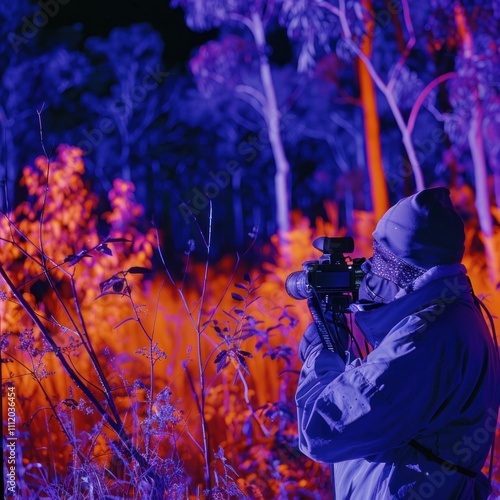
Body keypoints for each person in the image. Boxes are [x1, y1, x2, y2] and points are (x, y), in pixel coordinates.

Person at [295, 187, 499, 499]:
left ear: (406, 267)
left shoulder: (424, 338)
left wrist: (320, 355)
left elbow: (323, 430)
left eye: (379, 257)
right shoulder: (456, 314)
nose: (368, 270)